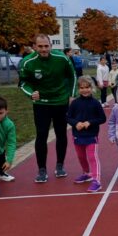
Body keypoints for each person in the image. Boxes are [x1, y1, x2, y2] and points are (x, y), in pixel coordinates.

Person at [19, 34, 77, 182]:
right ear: (34, 47)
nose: (44, 49)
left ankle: (60, 166)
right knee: (41, 135)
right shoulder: (27, 62)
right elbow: (22, 83)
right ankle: (42, 170)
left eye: (46, 46)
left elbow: (73, 76)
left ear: (51, 46)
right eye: (40, 46)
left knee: (61, 134)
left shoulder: (62, 58)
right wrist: (31, 93)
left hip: (60, 102)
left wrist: (71, 95)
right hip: (41, 104)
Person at [66, 76, 107, 193]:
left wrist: (90, 122)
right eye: (82, 88)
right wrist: (76, 123)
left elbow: (102, 118)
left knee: (92, 157)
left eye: (87, 87)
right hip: (77, 135)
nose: (85, 90)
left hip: (91, 135)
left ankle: (96, 180)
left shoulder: (95, 103)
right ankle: (86, 173)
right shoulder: (74, 103)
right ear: (78, 89)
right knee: (81, 157)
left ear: (92, 88)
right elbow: (68, 117)